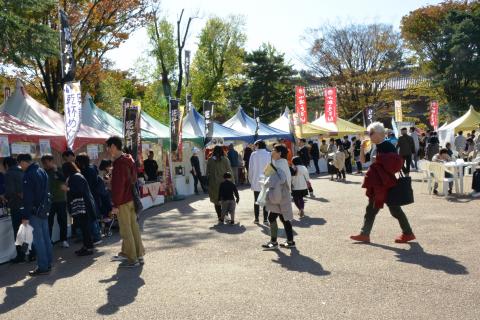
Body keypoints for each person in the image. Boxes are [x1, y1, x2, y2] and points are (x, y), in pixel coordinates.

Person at [350, 122, 415, 244]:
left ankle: (407, 233)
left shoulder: (388, 145)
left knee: (393, 210)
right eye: (369, 133)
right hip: (379, 184)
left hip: (386, 183)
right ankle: (365, 234)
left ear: (379, 134)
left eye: (371, 133)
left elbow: (395, 165)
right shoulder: (375, 146)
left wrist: (379, 160)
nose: (369, 136)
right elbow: (363, 161)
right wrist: (363, 149)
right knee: (373, 209)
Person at [106, 136, 145, 268]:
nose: (107, 150)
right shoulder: (129, 159)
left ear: (113, 147)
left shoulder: (119, 163)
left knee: (126, 231)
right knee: (134, 228)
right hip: (131, 199)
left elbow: (118, 187)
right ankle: (139, 255)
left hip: (122, 201)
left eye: (108, 147)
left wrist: (115, 205)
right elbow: (133, 178)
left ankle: (132, 259)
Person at [18, 153, 52, 276]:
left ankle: (43, 266)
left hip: (34, 211)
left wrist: (25, 216)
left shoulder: (28, 174)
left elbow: (28, 198)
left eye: (20, 164)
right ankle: (48, 263)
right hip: (44, 209)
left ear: (23, 162)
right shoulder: (41, 171)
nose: (20, 167)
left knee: (38, 240)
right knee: (46, 237)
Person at [262, 144, 295, 249]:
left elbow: (277, 180)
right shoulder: (282, 163)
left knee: (273, 217)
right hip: (282, 194)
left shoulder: (279, 165)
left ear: (279, 153)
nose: (271, 152)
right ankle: (289, 241)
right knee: (283, 218)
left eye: (273, 150)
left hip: (279, 195)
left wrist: (267, 181)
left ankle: (274, 242)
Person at [62, 162, 95, 256]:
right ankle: (86, 246)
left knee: (85, 228)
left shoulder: (76, 177)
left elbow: (79, 191)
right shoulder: (76, 176)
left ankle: (88, 248)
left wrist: (67, 189)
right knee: (84, 227)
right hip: (81, 206)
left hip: (82, 207)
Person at [41, 155, 69, 248]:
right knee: (49, 221)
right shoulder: (43, 172)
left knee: (62, 220)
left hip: (60, 199)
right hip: (49, 201)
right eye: (43, 163)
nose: (45, 165)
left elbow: (64, 179)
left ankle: (64, 240)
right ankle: (49, 241)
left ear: (51, 161)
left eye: (46, 162)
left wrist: (56, 170)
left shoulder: (59, 169)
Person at [75, 153, 102, 245]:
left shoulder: (86, 170)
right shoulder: (92, 167)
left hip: (90, 195)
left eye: (77, 161)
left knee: (91, 217)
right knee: (93, 216)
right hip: (94, 194)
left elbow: (88, 184)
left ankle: (96, 236)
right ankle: (97, 235)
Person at [3, 157, 25, 263]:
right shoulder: (23, 171)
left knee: (18, 232)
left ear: (6, 165)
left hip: (16, 206)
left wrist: (5, 196)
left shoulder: (9, 174)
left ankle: (21, 256)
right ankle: (32, 254)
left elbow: (10, 191)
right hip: (26, 205)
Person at [207, 145, 234, 224]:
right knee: (225, 200)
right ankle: (225, 215)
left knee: (216, 201)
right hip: (224, 183)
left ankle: (220, 217)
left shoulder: (210, 160)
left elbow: (207, 172)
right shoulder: (226, 159)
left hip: (214, 184)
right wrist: (232, 182)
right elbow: (230, 171)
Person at [248, 140, 271, 224]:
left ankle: (256, 219)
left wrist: (250, 179)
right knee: (265, 200)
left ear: (257, 145)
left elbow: (250, 168)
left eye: (255, 145)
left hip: (256, 180)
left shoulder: (253, 154)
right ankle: (265, 219)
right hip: (266, 179)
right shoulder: (269, 154)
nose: (254, 147)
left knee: (256, 200)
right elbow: (270, 168)